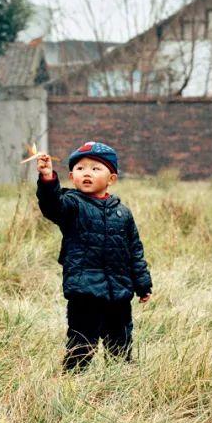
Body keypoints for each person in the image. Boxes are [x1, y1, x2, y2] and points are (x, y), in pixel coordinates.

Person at [34, 140, 153, 372]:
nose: (86, 173)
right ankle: (73, 382)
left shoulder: (123, 212)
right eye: (80, 169)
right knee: (82, 341)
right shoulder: (71, 205)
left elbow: (134, 251)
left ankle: (119, 381)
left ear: (111, 179)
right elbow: (51, 205)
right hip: (84, 291)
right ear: (72, 176)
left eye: (95, 168)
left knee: (120, 341)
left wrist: (142, 283)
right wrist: (48, 178)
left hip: (118, 292)